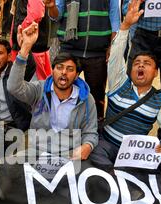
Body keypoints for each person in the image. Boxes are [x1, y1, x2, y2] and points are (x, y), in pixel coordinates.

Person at [91, 0, 161, 167]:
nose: (140, 65)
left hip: (133, 154)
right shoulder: (119, 83)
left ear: (156, 73)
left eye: (147, 64)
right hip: (106, 147)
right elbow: (116, 57)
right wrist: (124, 26)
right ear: (131, 69)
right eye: (137, 62)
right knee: (98, 164)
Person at [7, 22, 98, 161]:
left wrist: (87, 146)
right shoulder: (39, 90)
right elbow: (14, 87)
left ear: (77, 74)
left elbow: (91, 132)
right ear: (52, 70)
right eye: (59, 67)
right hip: (37, 153)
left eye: (70, 69)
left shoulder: (86, 99)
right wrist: (25, 48)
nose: (64, 72)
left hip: (69, 156)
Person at [46, 0, 120, 120]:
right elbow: (56, 15)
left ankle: (96, 127)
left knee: (97, 97)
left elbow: (114, 17)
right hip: (69, 50)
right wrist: (52, 7)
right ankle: (59, 123)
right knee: (62, 90)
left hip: (98, 52)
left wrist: (112, 45)